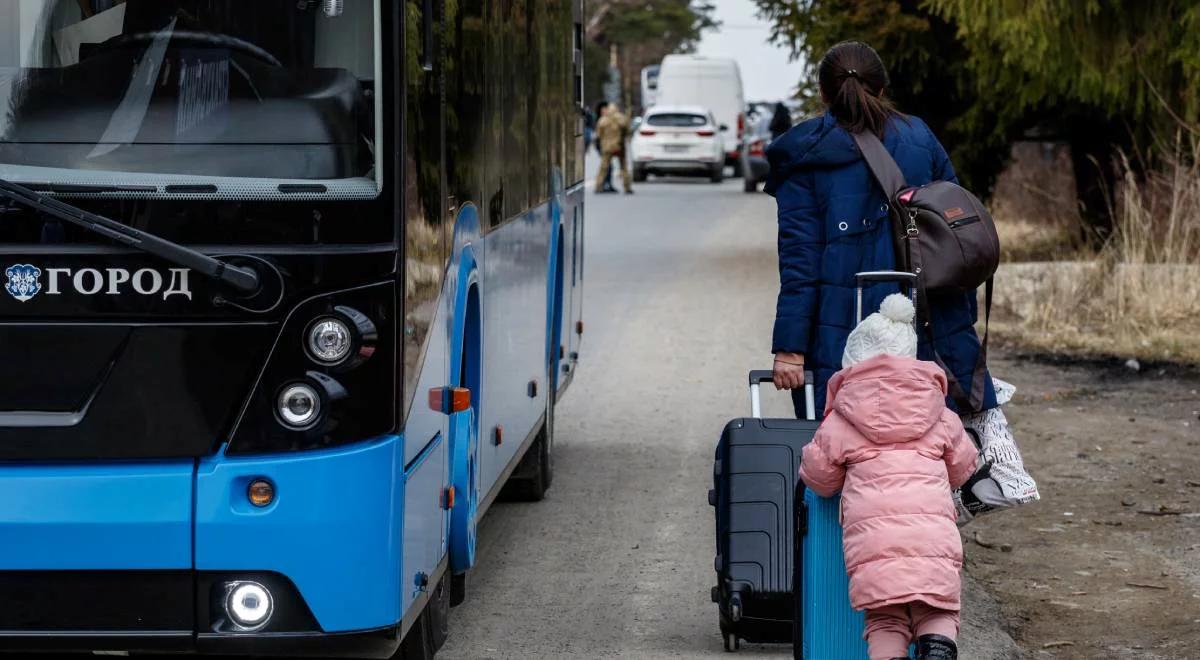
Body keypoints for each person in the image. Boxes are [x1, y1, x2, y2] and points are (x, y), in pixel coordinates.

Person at [765, 40, 1038, 523]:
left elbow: (801, 263)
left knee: (844, 454)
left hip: (844, 330)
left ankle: (843, 577)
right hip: (927, 319)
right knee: (918, 445)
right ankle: (927, 537)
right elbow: (952, 225)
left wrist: (789, 348)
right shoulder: (919, 138)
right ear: (883, 87)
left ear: (823, 94)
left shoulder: (804, 154)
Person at [799, 293, 976, 660]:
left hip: (874, 547)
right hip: (932, 540)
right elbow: (963, 468)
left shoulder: (841, 420)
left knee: (885, 620)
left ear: (852, 365)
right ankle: (938, 650)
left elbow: (820, 480)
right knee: (939, 609)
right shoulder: (940, 415)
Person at [594, 102, 633, 194]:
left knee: (603, 167)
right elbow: (628, 131)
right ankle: (627, 187)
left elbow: (598, 135)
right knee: (624, 167)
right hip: (619, 146)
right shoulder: (622, 118)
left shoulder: (603, 120)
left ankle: (598, 186)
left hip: (607, 146)